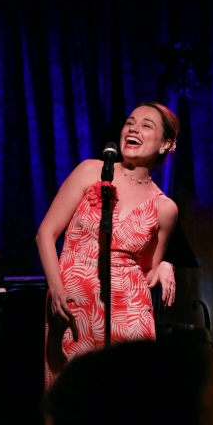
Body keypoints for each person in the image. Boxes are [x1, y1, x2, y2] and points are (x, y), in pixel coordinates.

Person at [35, 102, 178, 389]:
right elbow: (46, 234)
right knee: (72, 404)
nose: (133, 128)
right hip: (74, 307)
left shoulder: (165, 208)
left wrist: (164, 265)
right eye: (130, 122)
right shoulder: (91, 172)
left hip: (130, 313)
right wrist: (57, 289)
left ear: (166, 144)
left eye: (146, 125)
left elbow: (147, 271)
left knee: (124, 405)